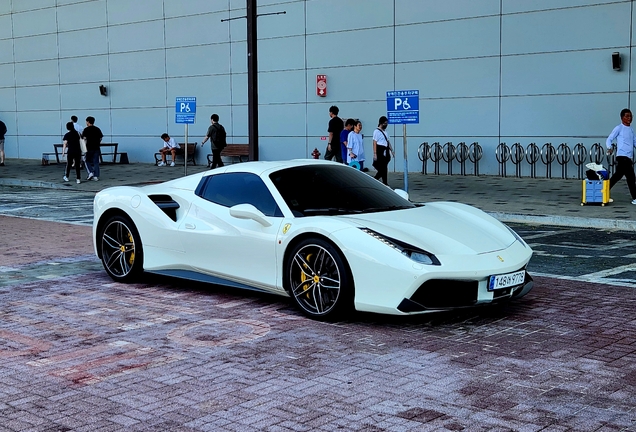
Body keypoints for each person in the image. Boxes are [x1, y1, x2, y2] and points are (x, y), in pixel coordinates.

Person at [606, 108, 636, 204]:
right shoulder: (619, 128)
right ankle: (635, 198)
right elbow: (609, 139)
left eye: (631, 116)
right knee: (631, 177)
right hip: (622, 157)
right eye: (627, 116)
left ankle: (603, 191)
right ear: (622, 117)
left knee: (617, 176)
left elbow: (634, 142)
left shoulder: (631, 130)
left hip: (629, 158)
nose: (629, 118)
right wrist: (609, 147)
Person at [372, 116, 395, 185]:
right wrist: (375, 153)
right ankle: (376, 180)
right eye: (384, 123)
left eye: (386, 123)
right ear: (381, 123)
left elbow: (388, 141)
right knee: (383, 168)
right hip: (380, 150)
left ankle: (384, 182)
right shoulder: (376, 132)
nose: (386, 125)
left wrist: (392, 150)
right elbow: (374, 142)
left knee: (385, 167)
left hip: (386, 150)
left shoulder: (386, 132)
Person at [82, 116, 103, 181]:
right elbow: (100, 138)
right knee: (96, 162)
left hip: (89, 147)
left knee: (86, 160)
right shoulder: (97, 129)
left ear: (88, 122)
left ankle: (91, 172)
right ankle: (96, 176)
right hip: (96, 147)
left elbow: (84, 138)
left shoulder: (86, 130)